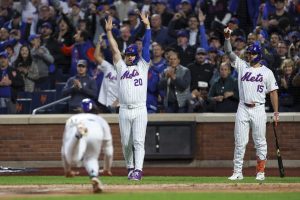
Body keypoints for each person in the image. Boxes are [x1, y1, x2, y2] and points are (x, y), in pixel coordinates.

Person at [224, 27, 279, 181]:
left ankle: (260, 172)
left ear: (259, 55)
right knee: (240, 141)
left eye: (252, 53)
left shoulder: (267, 72)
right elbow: (228, 52)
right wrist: (227, 38)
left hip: (259, 108)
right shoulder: (242, 65)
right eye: (248, 53)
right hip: (242, 107)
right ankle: (237, 172)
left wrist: (276, 113)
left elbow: (274, 92)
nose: (249, 56)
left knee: (260, 141)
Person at [105, 12, 151, 181]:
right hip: (124, 110)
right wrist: (109, 32)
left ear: (136, 56)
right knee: (126, 142)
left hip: (140, 109)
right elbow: (114, 49)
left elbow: (146, 45)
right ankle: (130, 166)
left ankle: (138, 170)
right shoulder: (121, 68)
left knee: (138, 141)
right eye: (128, 55)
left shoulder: (143, 66)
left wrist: (147, 27)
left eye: (132, 54)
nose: (129, 56)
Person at [61, 98, 113, 193]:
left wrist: (67, 170)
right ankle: (94, 176)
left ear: (81, 108)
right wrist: (107, 169)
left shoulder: (72, 119)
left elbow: (64, 149)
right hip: (95, 132)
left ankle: (77, 135)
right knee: (91, 158)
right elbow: (108, 152)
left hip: (77, 128)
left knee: (72, 157)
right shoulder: (101, 120)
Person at [94, 34, 119, 113]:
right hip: (104, 102)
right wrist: (99, 42)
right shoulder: (108, 66)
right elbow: (96, 56)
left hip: (118, 104)